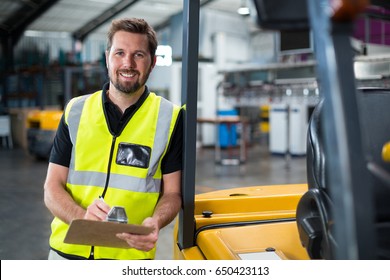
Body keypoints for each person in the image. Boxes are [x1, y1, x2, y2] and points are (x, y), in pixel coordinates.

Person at [43, 18, 183, 260]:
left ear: (153, 63)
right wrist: (81, 217)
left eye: (138, 54)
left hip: (129, 258)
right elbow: (51, 188)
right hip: (66, 255)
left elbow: (172, 194)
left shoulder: (170, 118)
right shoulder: (76, 111)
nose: (127, 63)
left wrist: (156, 222)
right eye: (120, 53)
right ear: (107, 57)